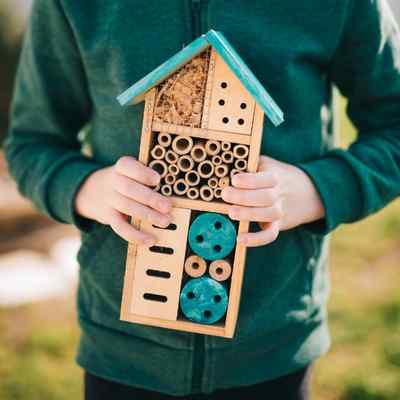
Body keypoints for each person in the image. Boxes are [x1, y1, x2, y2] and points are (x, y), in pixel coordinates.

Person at [4, 1, 400, 399]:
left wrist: (315, 190)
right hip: (124, 350)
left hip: (270, 346)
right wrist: (89, 190)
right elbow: (33, 143)